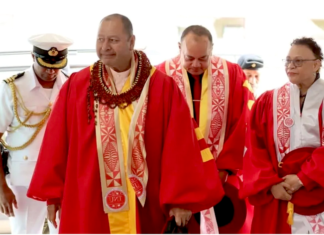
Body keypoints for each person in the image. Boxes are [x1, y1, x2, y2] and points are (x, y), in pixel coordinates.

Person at [26, 14, 224, 234]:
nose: (105, 47)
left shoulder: (161, 87)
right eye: (100, 39)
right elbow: (56, 141)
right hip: (90, 198)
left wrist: (180, 200)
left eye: (113, 40)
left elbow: (181, 146)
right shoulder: (78, 85)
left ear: (131, 42)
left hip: (145, 201)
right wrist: (53, 194)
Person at [156, 25, 254, 234]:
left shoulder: (232, 73)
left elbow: (242, 123)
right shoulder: (160, 76)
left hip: (223, 179)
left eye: (203, 58)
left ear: (212, 50)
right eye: (190, 58)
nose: (196, 65)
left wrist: (224, 170)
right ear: (178, 48)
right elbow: (155, 135)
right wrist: (178, 188)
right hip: (175, 182)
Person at [241, 37, 324, 234]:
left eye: (298, 61)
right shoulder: (270, 100)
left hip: (318, 191)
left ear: (317, 63)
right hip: (279, 195)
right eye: (287, 61)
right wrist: (270, 184)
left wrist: (303, 178)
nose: (290, 66)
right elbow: (254, 147)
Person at [0, 33, 73, 234]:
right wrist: (1, 188)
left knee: (66, 230)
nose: (51, 71)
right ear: (33, 57)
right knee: (25, 231)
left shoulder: (70, 85)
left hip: (62, 177)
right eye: (46, 64)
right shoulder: (12, 87)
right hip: (25, 180)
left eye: (57, 65)